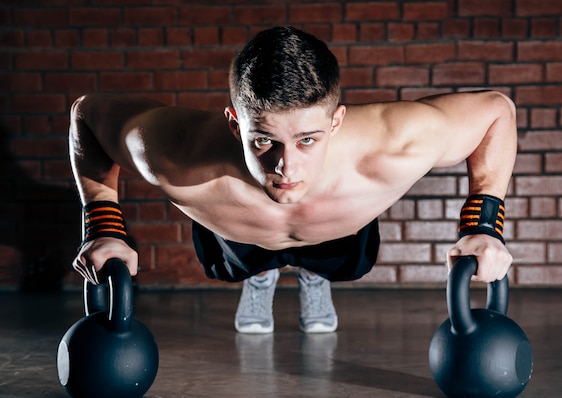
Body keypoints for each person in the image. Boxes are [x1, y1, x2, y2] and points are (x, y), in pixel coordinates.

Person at [70, 26, 515, 335]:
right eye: (264, 141)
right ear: (234, 124)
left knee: (344, 265)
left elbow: (497, 110)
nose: (287, 167)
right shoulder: (177, 153)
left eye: (307, 139)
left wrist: (483, 225)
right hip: (238, 234)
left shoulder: (395, 143)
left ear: (337, 122)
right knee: (237, 265)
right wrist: (103, 228)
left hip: (341, 229)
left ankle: (308, 273)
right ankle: (262, 274)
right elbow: (86, 115)